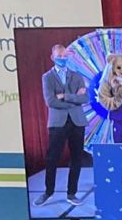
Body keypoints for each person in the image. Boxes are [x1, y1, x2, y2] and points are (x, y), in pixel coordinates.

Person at [36, 44, 89, 207]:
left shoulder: (77, 76)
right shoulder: (47, 77)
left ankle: (71, 193)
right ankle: (48, 192)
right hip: (57, 123)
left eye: (65, 56)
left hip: (77, 122)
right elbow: (50, 101)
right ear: (52, 57)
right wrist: (74, 99)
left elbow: (85, 99)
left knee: (76, 159)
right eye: (60, 56)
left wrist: (64, 96)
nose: (63, 59)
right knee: (52, 158)